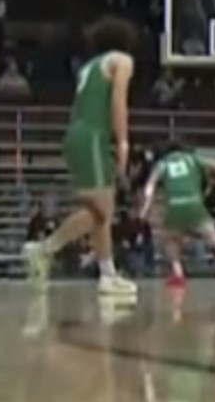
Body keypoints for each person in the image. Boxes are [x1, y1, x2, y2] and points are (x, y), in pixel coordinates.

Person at [24, 17, 140, 298]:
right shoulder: (121, 61)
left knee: (101, 211)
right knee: (102, 210)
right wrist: (123, 141)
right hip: (91, 136)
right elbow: (118, 102)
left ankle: (107, 275)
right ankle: (45, 249)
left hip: (75, 132)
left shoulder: (89, 67)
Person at [138, 140, 215, 290]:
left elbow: (150, 187)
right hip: (194, 205)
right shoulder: (192, 158)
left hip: (174, 206)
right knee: (214, 239)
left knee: (170, 239)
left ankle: (178, 273)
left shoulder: (162, 164)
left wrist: (144, 210)